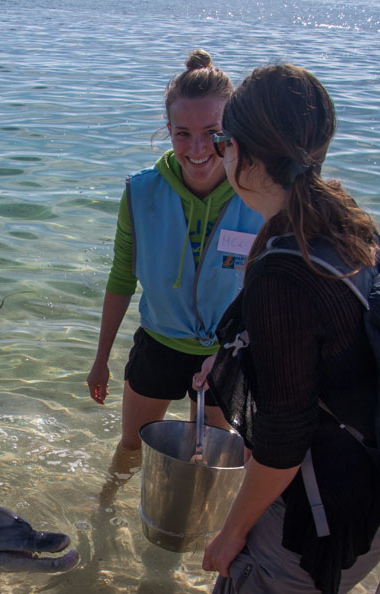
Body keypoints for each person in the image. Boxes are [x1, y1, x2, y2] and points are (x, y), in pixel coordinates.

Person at [189, 64, 380, 594]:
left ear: (244, 151)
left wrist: (232, 531)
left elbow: (280, 439)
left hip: (316, 506)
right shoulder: (343, 223)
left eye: (221, 140)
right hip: (376, 501)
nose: (216, 155)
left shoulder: (281, 267)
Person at [87, 50, 263, 476]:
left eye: (213, 132)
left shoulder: (258, 195)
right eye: (183, 133)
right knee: (132, 447)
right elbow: (121, 277)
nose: (199, 148)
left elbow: (274, 291)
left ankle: (202, 537)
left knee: (212, 463)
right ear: (167, 132)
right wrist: (101, 358)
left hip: (227, 354)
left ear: (233, 132)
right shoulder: (141, 192)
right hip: (160, 345)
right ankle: (108, 512)